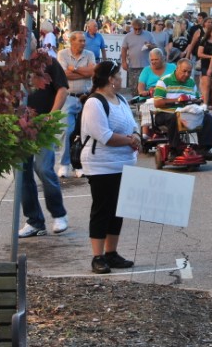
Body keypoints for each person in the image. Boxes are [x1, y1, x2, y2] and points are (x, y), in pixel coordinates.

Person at [80, 61, 141, 274]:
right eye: (118, 75)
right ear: (110, 79)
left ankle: (111, 253)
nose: (121, 78)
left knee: (118, 210)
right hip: (101, 165)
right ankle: (97, 256)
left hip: (123, 162)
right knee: (102, 209)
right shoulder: (94, 103)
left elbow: (134, 124)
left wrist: (136, 135)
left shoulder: (121, 99)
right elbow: (104, 136)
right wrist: (130, 141)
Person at [18, 53, 70, 238]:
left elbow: (62, 89)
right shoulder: (14, 64)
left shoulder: (48, 62)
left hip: (43, 124)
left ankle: (59, 214)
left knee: (43, 169)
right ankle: (34, 221)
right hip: (19, 125)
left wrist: (52, 115)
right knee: (22, 174)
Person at [152, 59, 212, 159]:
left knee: (207, 118)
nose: (186, 74)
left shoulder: (191, 82)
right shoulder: (164, 80)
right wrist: (177, 100)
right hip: (165, 113)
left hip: (185, 113)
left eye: (189, 72)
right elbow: (157, 103)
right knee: (174, 118)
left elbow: (197, 98)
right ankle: (174, 149)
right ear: (177, 69)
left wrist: (197, 101)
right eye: (184, 71)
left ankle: (204, 149)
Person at [57, 31, 96, 177]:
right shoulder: (62, 54)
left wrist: (73, 69)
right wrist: (83, 72)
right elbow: (64, 74)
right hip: (68, 97)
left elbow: (92, 72)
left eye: (84, 40)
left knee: (84, 132)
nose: (83, 43)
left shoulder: (89, 54)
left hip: (86, 97)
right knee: (66, 131)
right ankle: (64, 164)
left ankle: (79, 165)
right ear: (72, 41)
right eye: (80, 40)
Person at [136, 48, 174, 138]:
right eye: (152, 60)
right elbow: (141, 86)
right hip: (152, 96)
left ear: (163, 58)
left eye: (156, 59)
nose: (153, 62)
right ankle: (145, 134)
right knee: (148, 104)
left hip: (168, 95)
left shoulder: (172, 67)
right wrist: (143, 92)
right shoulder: (146, 70)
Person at [120, 18, 155, 92]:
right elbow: (124, 49)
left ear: (143, 27)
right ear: (132, 27)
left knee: (147, 88)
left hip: (146, 66)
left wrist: (150, 46)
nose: (137, 31)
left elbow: (156, 47)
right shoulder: (128, 36)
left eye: (139, 29)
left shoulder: (148, 35)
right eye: (135, 29)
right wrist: (123, 62)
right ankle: (135, 102)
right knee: (134, 88)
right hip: (133, 67)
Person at [197, 23, 212, 108]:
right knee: (206, 84)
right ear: (210, 33)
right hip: (206, 64)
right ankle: (205, 103)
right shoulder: (204, 41)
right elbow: (199, 53)